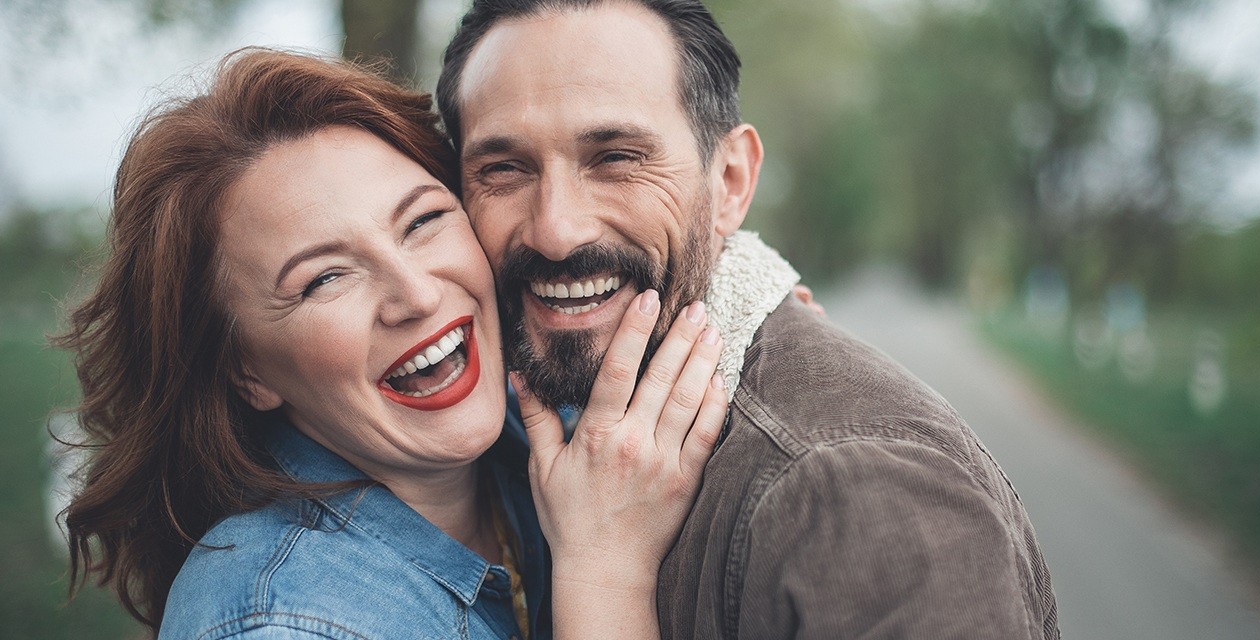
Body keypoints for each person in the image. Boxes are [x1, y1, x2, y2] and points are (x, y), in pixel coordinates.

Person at [434, 1, 1061, 638]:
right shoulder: (528, 418)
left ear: (730, 181)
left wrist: (599, 578)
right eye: (504, 169)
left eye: (616, 158)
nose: (556, 232)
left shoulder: (859, 498)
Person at [57, 48, 729, 639]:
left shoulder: (533, 426)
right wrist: (603, 573)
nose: (418, 294)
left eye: (424, 220)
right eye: (324, 278)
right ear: (245, 371)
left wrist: (752, 303)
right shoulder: (280, 624)